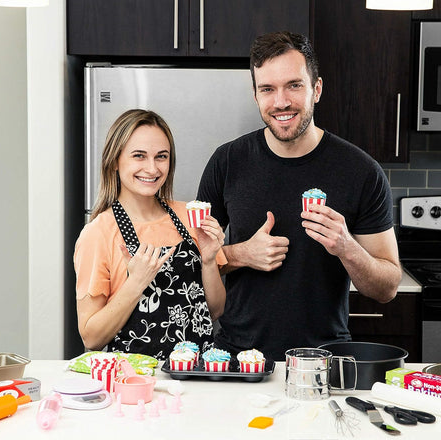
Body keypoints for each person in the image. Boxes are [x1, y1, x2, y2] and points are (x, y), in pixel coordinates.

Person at [197, 31, 402, 361]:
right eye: (267, 89)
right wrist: (239, 254)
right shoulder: (227, 162)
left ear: (316, 89)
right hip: (237, 356)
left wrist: (347, 247)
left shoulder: (361, 171)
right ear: (255, 95)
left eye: (294, 85)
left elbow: (387, 287)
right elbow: (193, 259)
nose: (280, 102)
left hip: (323, 360)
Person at [74, 109, 226, 360]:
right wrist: (136, 283)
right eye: (139, 156)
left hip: (196, 375)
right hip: (135, 384)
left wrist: (209, 261)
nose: (152, 168)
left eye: (161, 157)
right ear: (115, 161)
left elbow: (214, 311)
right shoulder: (98, 233)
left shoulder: (190, 216)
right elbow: (91, 338)